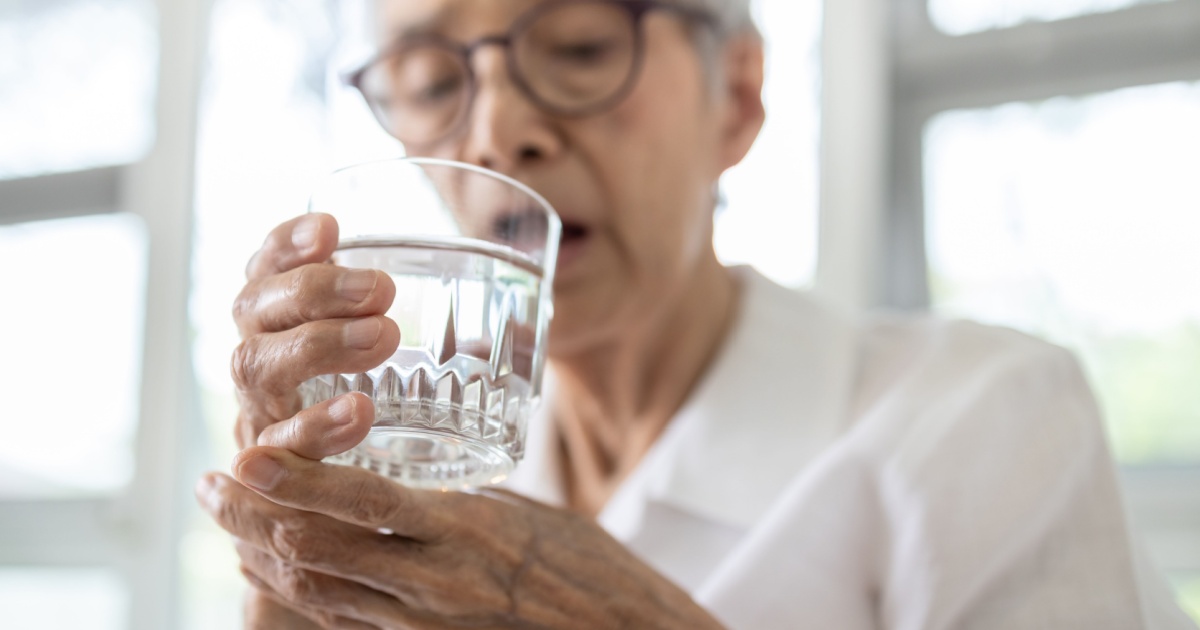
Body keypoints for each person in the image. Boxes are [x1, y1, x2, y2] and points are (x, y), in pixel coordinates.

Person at [195, 0, 1197, 628]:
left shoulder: (986, 416)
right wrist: (294, 585)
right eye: (428, 82)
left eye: (582, 46)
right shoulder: (422, 468)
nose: (499, 130)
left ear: (739, 96)